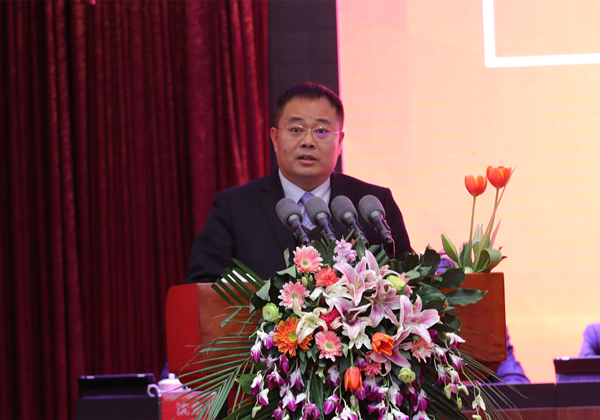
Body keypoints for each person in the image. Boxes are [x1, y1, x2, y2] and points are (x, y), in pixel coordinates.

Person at [185, 82, 412, 283]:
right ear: (275, 138)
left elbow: (409, 281)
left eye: (321, 131)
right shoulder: (235, 209)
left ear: (340, 142)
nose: (308, 141)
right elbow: (201, 288)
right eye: (296, 130)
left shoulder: (372, 205)